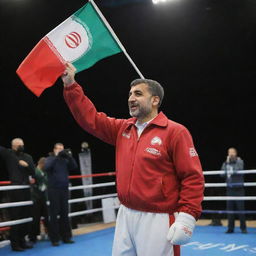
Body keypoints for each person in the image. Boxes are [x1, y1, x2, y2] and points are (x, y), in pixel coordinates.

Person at [61, 63, 204, 256]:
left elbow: (192, 177)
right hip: (126, 213)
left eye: (138, 94)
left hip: (158, 218)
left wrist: (188, 216)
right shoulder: (123, 128)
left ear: (155, 100)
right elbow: (90, 119)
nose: (131, 98)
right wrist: (71, 85)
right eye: (130, 94)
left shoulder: (175, 132)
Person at [0, 138, 35, 251]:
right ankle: (15, 244)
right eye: (18, 145)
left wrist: (26, 166)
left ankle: (22, 241)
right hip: (15, 189)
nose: (21, 147)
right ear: (13, 146)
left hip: (26, 189)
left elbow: (33, 172)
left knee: (25, 215)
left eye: (22, 145)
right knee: (16, 216)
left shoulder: (28, 157)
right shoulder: (9, 154)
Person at [45, 143, 77, 246]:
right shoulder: (50, 158)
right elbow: (47, 167)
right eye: (58, 149)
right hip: (53, 189)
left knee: (64, 214)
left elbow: (74, 166)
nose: (60, 151)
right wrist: (57, 156)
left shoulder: (65, 160)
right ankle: (54, 239)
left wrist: (69, 156)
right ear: (54, 149)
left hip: (64, 189)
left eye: (62, 149)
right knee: (54, 214)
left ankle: (66, 237)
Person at [221, 147, 247, 234]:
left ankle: (243, 228)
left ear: (236, 153)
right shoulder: (226, 163)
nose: (231, 154)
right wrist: (227, 164)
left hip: (239, 190)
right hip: (229, 189)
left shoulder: (240, 161)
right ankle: (230, 228)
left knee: (241, 210)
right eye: (229, 152)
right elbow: (221, 174)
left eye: (232, 152)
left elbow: (238, 170)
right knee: (230, 210)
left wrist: (229, 167)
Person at [29, 157, 48, 243]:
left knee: (47, 216)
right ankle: (33, 237)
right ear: (42, 164)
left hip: (43, 197)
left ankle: (50, 233)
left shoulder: (44, 172)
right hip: (36, 197)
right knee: (36, 218)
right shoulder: (34, 171)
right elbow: (32, 182)